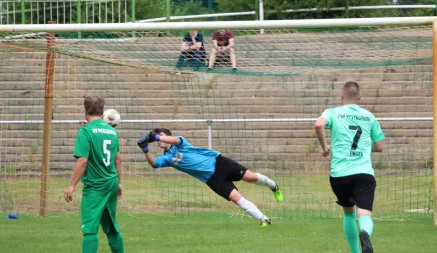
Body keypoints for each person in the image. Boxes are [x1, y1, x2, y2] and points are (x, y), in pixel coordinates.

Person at [137, 128, 283, 226]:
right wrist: (145, 149)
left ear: (167, 135)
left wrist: (156, 136)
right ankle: (264, 219)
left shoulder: (180, 143)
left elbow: (174, 140)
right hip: (211, 179)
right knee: (235, 198)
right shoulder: (167, 158)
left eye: (162, 136)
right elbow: (155, 163)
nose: (159, 140)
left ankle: (273, 186)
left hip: (219, 163)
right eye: (158, 139)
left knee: (251, 178)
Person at [314, 82, 385, 253]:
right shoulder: (369, 116)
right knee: (364, 214)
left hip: (340, 173)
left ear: (341, 95)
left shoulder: (333, 112)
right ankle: (365, 232)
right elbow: (380, 147)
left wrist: (324, 148)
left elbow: (318, 125)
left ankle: (356, 252)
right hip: (363, 173)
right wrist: (366, 148)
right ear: (359, 97)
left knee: (348, 213)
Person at [64, 96, 124, 253]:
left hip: (95, 186)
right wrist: (119, 183)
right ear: (102, 111)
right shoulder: (112, 131)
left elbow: (82, 161)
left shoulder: (85, 132)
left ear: (85, 111)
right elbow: (118, 159)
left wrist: (71, 185)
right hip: (111, 182)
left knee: (90, 230)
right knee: (111, 227)